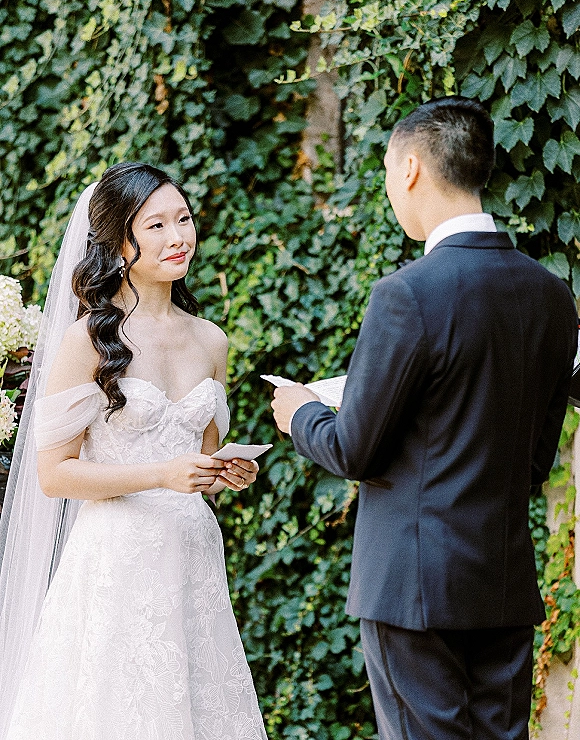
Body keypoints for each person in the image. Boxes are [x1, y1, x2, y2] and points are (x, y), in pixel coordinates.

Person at [271, 96, 578, 740]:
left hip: (413, 586)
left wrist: (301, 413)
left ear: (410, 168)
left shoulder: (406, 295)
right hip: (502, 578)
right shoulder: (550, 296)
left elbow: (355, 450)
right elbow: (530, 458)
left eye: (387, 176)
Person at [0, 162, 268, 739]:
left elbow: (199, 464)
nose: (179, 238)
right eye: (157, 226)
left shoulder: (211, 339)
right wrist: (163, 474)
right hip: (117, 560)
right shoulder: (89, 341)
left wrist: (224, 474)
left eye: (185, 220)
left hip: (192, 554)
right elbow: (53, 474)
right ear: (120, 240)